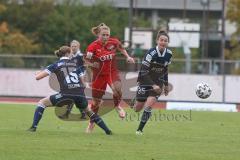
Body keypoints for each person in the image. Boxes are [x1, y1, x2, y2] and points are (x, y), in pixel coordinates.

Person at [28, 45, 112, 135]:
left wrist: (38, 73)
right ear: (68, 53)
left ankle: (33, 127)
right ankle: (107, 131)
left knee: (42, 103)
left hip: (66, 94)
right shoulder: (75, 65)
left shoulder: (55, 64)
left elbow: (38, 78)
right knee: (89, 112)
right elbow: (83, 84)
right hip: (80, 94)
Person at [84, 23, 135, 133]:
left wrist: (128, 57)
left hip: (111, 72)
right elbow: (86, 61)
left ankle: (117, 106)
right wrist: (92, 65)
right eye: (103, 35)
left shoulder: (114, 42)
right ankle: (92, 122)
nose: (106, 37)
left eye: (107, 35)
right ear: (98, 34)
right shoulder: (92, 46)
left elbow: (121, 49)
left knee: (118, 89)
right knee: (96, 102)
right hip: (98, 75)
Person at [130, 30, 172, 135]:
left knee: (149, 105)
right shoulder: (151, 52)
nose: (163, 42)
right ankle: (134, 101)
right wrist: (152, 85)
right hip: (145, 80)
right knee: (137, 109)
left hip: (158, 82)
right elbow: (143, 71)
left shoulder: (169, 54)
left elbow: (165, 69)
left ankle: (139, 130)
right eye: (161, 40)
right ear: (157, 41)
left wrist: (166, 85)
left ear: (167, 43)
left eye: (165, 41)